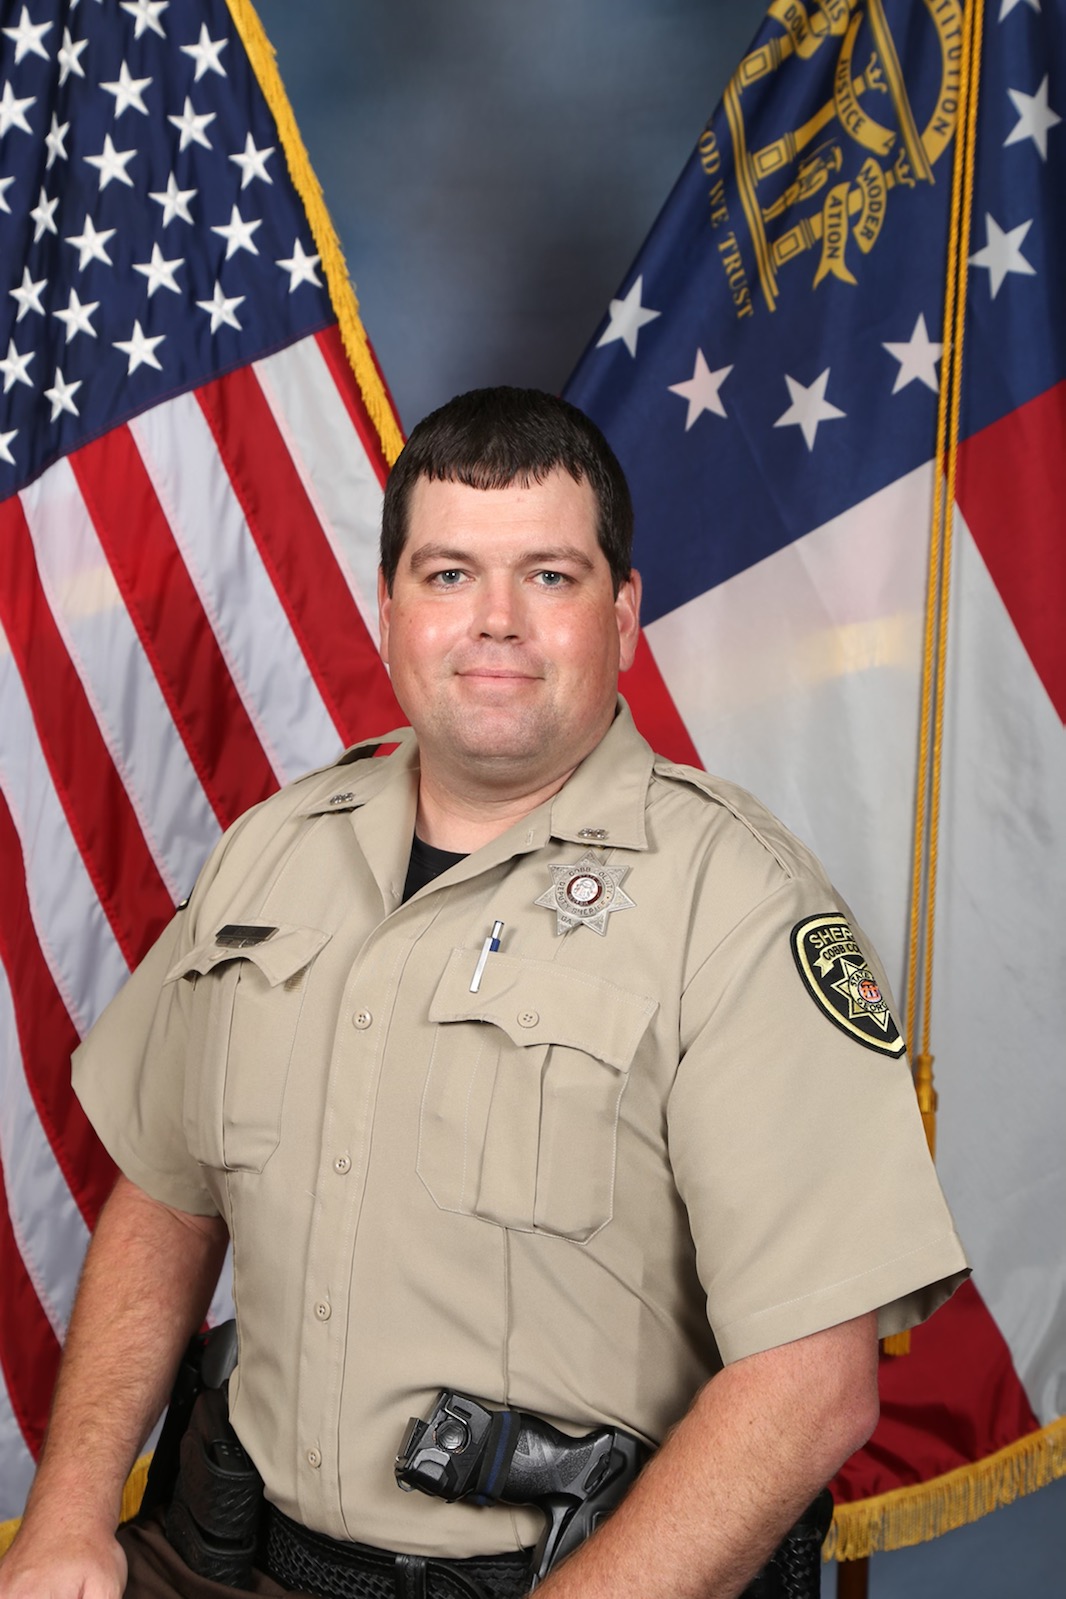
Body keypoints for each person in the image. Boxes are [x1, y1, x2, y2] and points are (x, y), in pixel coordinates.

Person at [0, 388, 968, 1599]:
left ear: (622, 616)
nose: (495, 620)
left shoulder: (736, 903)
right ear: (390, 610)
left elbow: (812, 1385)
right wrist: (68, 1511)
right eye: (449, 574)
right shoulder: (272, 853)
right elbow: (165, 1195)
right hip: (235, 1558)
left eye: (549, 577)